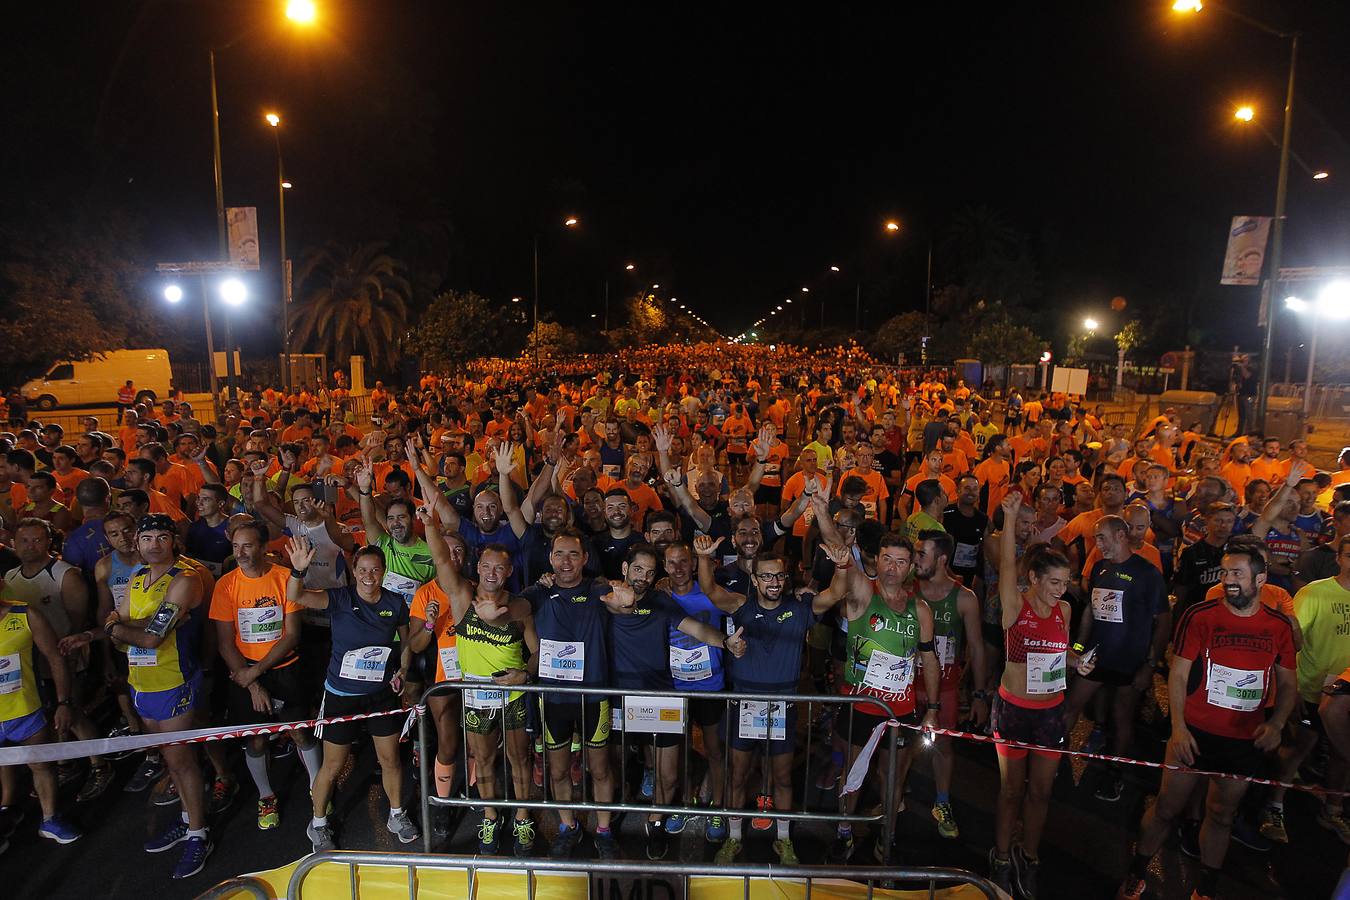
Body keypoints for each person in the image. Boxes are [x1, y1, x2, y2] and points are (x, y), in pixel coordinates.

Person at [1116, 545, 1297, 900]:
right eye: (1225, 572)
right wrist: (1179, 728)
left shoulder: (1278, 627)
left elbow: (1288, 682)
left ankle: (1206, 888)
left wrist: (1276, 724)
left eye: (1237, 574)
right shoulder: (1200, 615)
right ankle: (1136, 871)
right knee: (1167, 806)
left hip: (1243, 740)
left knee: (1221, 814)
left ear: (1260, 579)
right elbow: (1179, 676)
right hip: (1194, 734)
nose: (1228, 580)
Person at [694, 535, 850, 867]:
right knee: (738, 776)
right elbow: (709, 590)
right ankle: (734, 838)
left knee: (781, 777)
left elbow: (836, 593)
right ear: (754, 579)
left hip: (783, 703)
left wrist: (841, 566)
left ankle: (783, 839)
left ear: (786, 577)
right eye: (766, 576)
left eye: (778, 576)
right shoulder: (741, 606)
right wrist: (705, 559)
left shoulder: (800, 609)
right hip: (744, 701)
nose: (774, 582)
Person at [604, 544, 746, 860]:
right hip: (618, 698)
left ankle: (655, 823)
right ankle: (607, 821)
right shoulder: (604, 593)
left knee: (667, 774)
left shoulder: (661, 601)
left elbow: (695, 628)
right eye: (638, 569)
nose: (643, 577)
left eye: (650, 572)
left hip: (660, 696)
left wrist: (724, 642)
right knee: (612, 767)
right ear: (625, 568)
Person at [989, 493, 1095, 898]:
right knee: (1011, 791)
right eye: (1054, 582)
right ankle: (1000, 856)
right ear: (1034, 579)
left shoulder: (1065, 611)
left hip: (1051, 713)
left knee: (1041, 791)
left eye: (1065, 583)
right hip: (1014, 710)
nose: (1060, 590)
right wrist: (1011, 518)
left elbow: (1061, 652)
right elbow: (1005, 567)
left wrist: (1076, 662)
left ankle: (1028, 856)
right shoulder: (1014, 606)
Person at [286, 536, 418, 852]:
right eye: (362, 570)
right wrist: (297, 571)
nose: (368, 576)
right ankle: (317, 823)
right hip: (342, 695)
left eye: (375, 570)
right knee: (333, 764)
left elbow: (406, 642)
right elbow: (296, 596)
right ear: (354, 571)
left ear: (383, 571)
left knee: (390, 760)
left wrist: (402, 670)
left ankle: (397, 815)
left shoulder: (395, 603)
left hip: (381, 695)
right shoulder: (340, 599)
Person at [105, 515, 214, 879]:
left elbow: (152, 637)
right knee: (170, 762)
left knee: (182, 761)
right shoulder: (136, 578)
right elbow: (122, 627)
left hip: (173, 681)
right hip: (141, 681)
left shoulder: (184, 580)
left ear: (173, 540)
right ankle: (187, 817)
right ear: (137, 542)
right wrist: (120, 628)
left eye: (161, 537)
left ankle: (199, 834)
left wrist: (118, 628)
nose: (153, 544)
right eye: (147, 537)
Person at [418, 526, 539, 855]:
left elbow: (538, 653)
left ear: (508, 571)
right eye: (486, 566)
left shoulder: (521, 607)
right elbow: (441, 559)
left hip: (511, 696)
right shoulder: (462, 599)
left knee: (519, 759)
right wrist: (429, 525)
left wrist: (525, 675)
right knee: (483, 759)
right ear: (477, 568)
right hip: (476, 696)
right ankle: (489, 816)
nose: (491, 573)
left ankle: (523, 817)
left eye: (499, 567)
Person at [523, 528, 637, 859]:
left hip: (593, 696)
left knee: (599, 768)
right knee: (558, 770)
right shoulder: (540, 591)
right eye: (560, 554)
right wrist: (499, 607)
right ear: (550, 558)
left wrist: (625, 602)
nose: (566, 561)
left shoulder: (597, 587)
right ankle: (567, 826)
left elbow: (620, 606)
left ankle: (603, 830)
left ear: (584, 558)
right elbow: (516, 608)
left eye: (574, 554)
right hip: (554, 697)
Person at [208, 519, 320, 831]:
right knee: (255, 741)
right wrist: (252, 682)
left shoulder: (285, 578)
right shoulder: (225, 585)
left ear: (263, 546)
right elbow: (224, 642)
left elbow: (292, 634)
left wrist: (256, 671)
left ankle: (317, 788)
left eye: (247, 545)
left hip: (285, 671)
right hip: (245, 674)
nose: (240, 552)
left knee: (300, 733)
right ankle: (266, 795)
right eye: (235, 547)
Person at [1063, 515, 1169, 803]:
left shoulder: (1147, 573)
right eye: (1096, 538)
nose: (1097, 544)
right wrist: (1076, 647)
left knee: (1122, 718)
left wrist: (1150, 666)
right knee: (1071, 706)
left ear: (1121, 535)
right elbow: (1090, 611)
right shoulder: (1099, 567)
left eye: (1102, 538)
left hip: (1128, 660)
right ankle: (1056, 759)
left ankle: (1116, 774)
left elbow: (1163, 621)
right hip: (1096, 656)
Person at [912, 530, 989, 839]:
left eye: (921, 554)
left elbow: (977, 647)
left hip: (943, 687)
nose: (916, 559)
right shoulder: (908, 590)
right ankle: (892, 798)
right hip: (905, 682)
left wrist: (980, 694)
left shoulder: (965, 598)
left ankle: (942, 801)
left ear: (942, 559)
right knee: (900, 744)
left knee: (943, 745)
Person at [0, 589, 82, 848]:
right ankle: (7, 810)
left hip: (26, 711)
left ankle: (49, 819)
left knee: (41, 766)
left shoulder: (25, 614)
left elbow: (55, 659)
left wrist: (64, 702)